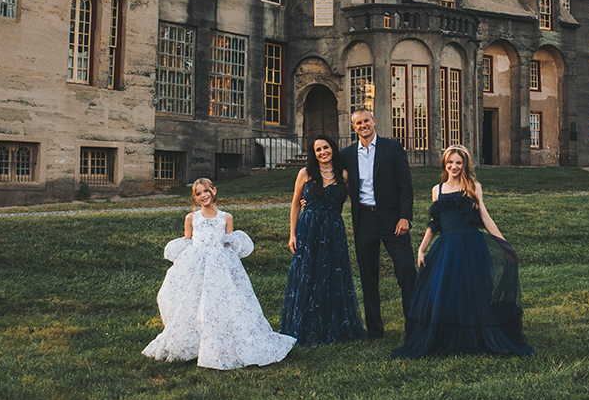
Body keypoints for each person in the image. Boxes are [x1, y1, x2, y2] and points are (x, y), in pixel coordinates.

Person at [393, 145, 534, 357]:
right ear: (444, 164)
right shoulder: (437, 190)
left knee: (472, 292)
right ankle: (448, 337)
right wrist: (422, 249)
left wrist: (504, 244)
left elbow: (485, 218)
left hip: (471, 246)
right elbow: (434, 223)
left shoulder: (473, 187)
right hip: (446, 248)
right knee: (444, 291)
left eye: (459, 163)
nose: (454, 166)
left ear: (465, 165)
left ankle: (474, 337)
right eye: (450, 162)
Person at [143, 178, 295, 370]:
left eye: (205, 191)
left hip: (220, 266)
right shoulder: (191, 218)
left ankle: (223, 343)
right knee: (194, 302)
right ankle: (193, 343)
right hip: (197, 265)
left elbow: (229, 244)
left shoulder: (226, 217)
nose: (203, 196)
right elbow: (187, 242)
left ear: (213, 191)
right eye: (198, 194)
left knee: (222, 303)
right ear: (195, 198)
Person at [280, 135, 366, 346]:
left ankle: (333, 325)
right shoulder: (305, 173)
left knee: (332, 274)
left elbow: (357, 200)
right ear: (314, 154)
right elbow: (295, 204)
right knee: (308, 274)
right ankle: (307, 327)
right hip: (308, 230)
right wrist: (292, 234)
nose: (322, 152)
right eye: (318, 150)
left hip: (333, 231)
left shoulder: (343, 175)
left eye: (325, 147)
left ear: (332, 149)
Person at [341, 108, 417, 339]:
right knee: (368, 277)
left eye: (366, 121)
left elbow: (405, 185)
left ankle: (415, 327)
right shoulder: (347, 154)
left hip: (393, 220)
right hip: (364, 220)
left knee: (407, 272)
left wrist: (405, 217)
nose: (363, 125)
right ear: (353, 127)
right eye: (358, 123)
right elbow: (331, 178)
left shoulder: (392, 148)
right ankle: (375, 331)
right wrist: (310, 198)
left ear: (374, 121)